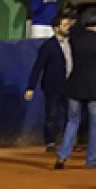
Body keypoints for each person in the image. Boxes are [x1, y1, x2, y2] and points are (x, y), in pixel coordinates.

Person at [25, 14, 74, 152]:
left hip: (70, 85)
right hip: (52, 86)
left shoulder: (72, 43)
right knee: (52, 114)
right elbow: (38, 66)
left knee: (70, 115)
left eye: (68, 25)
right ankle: (50, 141)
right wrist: (30, 87)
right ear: (56, 28)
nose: (68, 28)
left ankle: (67, 142)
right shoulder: (48, 46)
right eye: (65, 25)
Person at [55, 10, 96, 169]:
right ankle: (91, 160)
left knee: (72, 121)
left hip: (74, 84)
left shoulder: (75, 39)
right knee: (94, 124)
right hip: (94, 88)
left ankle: (62, 156)